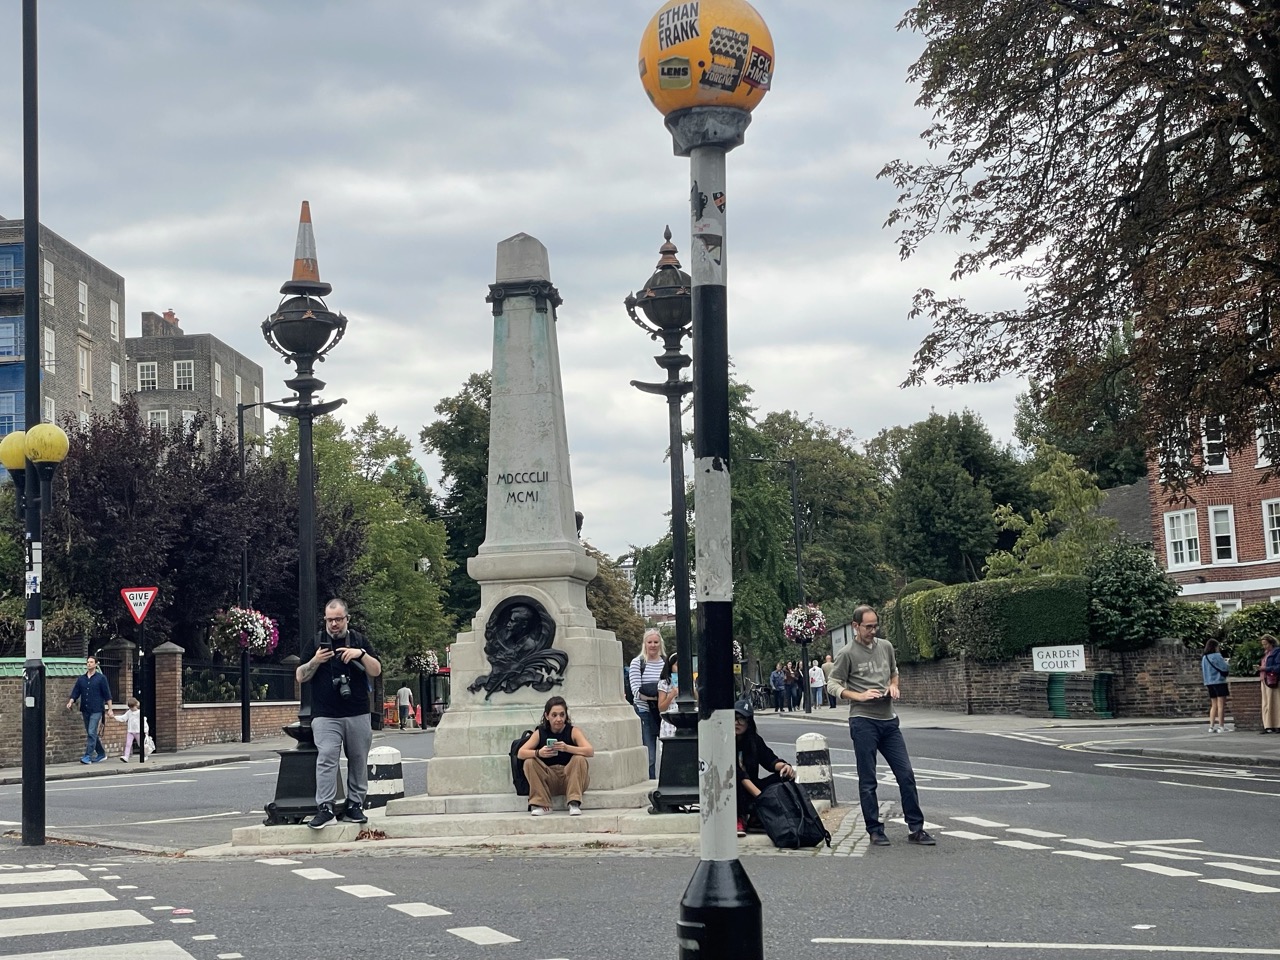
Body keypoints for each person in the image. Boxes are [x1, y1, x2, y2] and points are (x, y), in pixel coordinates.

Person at [828, 604, 935, 847]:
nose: (873, 631)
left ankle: (916, 829)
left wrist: (893, 686)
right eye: (868, 627)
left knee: (906, 774)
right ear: (855, 626)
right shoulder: (846, 653)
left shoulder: (885, 647)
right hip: (863, 721)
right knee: (868, 780)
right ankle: (875, 830)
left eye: (875, 626)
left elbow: (894, 672)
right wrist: (858, 696)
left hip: (889, 720)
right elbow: (832, 684)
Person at [297, 598, 382, 829]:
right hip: (325, 714)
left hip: (357, 712)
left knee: (358, 759)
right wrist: (315, 660)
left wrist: (360, 654)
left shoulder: (358, 641)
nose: (334, 624)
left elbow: (376, 670)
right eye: (329, 620)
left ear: (347, 619)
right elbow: (300, 676)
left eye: (338, 619)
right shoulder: (317, 642)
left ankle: (355, 805)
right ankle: (325, 807)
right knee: (326, 757)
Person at [516, 695, 594, 816]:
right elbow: (521, 753)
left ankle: (574, 802)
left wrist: (567, 748)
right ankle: (543, 804)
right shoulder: (540, 732)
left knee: (579, 758)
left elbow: (590, 751)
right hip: (549, 778)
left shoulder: (573, 731)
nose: (559, 719)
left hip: (571, 778)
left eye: (562, 715)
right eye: (554, 715)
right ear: (547, 716)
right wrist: (538, 753)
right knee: (529, 761)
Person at [732, 698, 795, 837]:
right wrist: (761, 797)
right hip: (734, 789)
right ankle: (739, 818)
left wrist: (785, 767)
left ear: (749, 722)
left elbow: (769, 760)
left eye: (741, 719)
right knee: (735, 779)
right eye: (734, 718)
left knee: (783, 777)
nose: (737, 723)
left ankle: (755, 819)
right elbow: (739, 774)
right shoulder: (725, 741)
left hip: (753, 786)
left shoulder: (754, 740)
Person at [629, 628, 666, 778]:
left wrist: (662, 699)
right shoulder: (637, 663)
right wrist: (658, 698)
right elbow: (636, 691)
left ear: (660, 643)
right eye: (649, 642)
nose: (653, 645)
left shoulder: (665, 662)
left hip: (664, 713)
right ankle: (649, 782)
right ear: (644, 643)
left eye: (656, 642)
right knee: (649, 755)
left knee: (667, 752)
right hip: (645, 712)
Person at [66, 655, 113, 764]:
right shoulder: (81, 679)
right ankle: (101, 753)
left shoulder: (101, 678)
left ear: (96, 664)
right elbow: (76, 692)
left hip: (97, 709)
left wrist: (110, 709)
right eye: (88, 662)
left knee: (91, 732)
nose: (89, 664)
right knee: (91, 733)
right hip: (85, 709)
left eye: (91, 662)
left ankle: (87, 756)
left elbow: (107, 694)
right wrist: (70, 702)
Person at [1201, 638, 1230, 734]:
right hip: (1219, 681)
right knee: (1221, 705)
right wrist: (1227, 663)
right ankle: (1221, 726)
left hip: (1209, 682)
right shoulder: (1217, 656)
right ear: (1215, 647)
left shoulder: (1204, 658)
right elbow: (1224, 667)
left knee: (1213, 705)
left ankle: (1211, 726)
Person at [1258, 635, 1280, 734]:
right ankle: (1268, 725)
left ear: (1271, 643)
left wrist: (1265, 668)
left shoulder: (1277, 652)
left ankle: (1277, 724)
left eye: (1266, 644)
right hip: (1264, 679)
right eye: (1263, 644)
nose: (1264, 646)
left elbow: (1278, 667)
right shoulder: (1266, 654)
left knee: (1275, 702)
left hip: (1272, 680)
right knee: (1266, 703)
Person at [657, 651, 680, 740]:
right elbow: (661, 708)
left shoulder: (689, 682)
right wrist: (671, 696)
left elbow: (698, 702)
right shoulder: (664, 683)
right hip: (670, 719)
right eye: (677, 665)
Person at [112, 697, 142, 762]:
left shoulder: (140, 713)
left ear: (136, 705)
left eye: (132, 707)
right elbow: (123, 718)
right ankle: (126, 757)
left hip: (138, 731)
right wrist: (114, 717)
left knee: (141, 744)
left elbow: (144, 722)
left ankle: (144, 754)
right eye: (130, 707)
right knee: (128, 744)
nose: (131, 709)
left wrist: (145, 730)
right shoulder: (129, 712)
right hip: (130, 731)